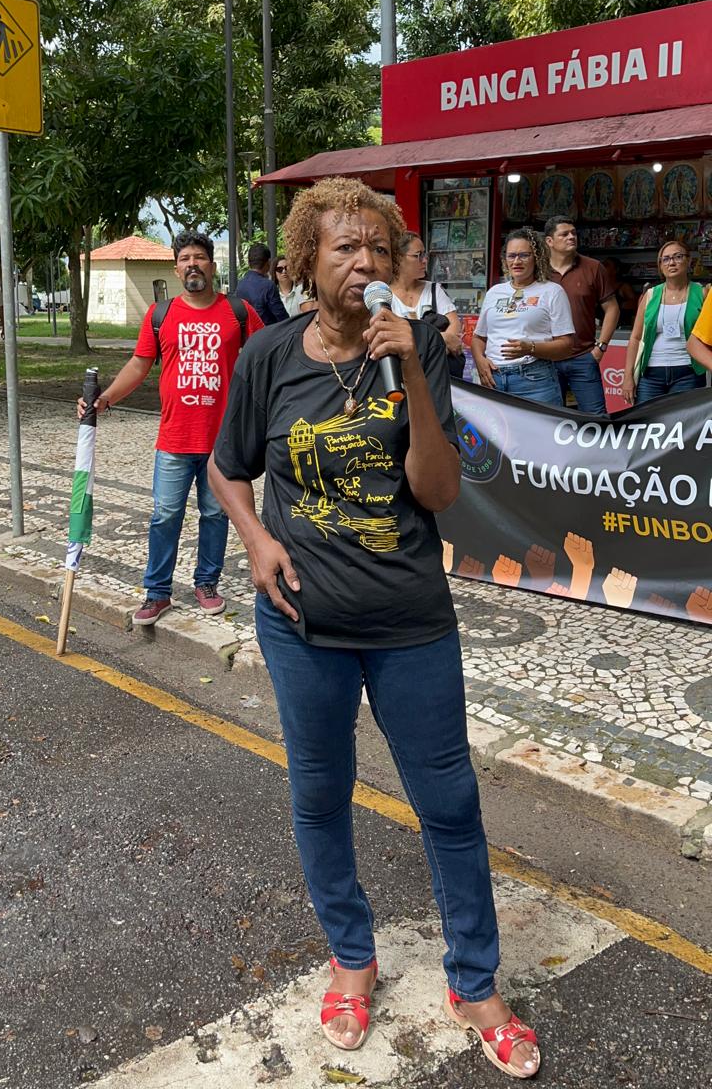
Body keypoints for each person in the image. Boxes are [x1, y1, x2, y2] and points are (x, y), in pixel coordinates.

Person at [209, 177, 540, 1079]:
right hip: (300, 624)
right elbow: (226, 465)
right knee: (322, 795)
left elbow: (437, 492)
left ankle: (475, 983)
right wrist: (256, 539)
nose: (364, 263)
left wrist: (418, 381)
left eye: (380, 250)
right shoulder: (269, 357)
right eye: (344, 248)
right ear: (307, 263)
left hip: (410, 623)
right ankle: (352, 960)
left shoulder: (420, 346)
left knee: (451, 803)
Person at [77, 231, 264, 625]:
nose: (192, 264)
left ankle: (207, 583)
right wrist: (106, 398)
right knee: (165, 515)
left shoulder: (239, 312)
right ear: (176, 267)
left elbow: (268, 356)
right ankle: (157, 592)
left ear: (212, 266)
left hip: (222, 442)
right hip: (175, 438)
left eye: (199, 257)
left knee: (215, 515)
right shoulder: (160, 315)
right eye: (185, 259)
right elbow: (138, 365)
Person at [471, 228, 574, 406]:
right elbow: (479, 337)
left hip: (535, 380)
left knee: (539, 433)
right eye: (511, 256)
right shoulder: (495, 292)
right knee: (496, 435)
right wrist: (480, 361)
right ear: (505, 259)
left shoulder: (552, 291)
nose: (517, 261)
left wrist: (531, 348)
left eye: (524, 255)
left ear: (537, 257)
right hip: (493, 380)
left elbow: (566, 346)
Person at [545, 216, 619, 414]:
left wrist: (601, 347)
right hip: (546, 359)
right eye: (564, 234)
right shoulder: (538, 272)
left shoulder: (594, 267)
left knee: (597, 419)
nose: (572, 237)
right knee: (548, 420)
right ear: (549, 241)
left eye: (574, 233)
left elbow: (612, 308)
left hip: (583, 357)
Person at [622, 241, 707, 405]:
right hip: (651, 373)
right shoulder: (650, 295)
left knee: (684, 425)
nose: (672, 262)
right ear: (660, 265)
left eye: (678, 257)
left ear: (689, 261)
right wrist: (627, 377)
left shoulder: (702, 293)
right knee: (647, 424)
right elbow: (635, 338)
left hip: (688, 372)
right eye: (666, 259)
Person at [389, 231, 464, 375]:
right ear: (398, 258)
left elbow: (454, 324)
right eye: (418, 256)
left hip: (438, 372)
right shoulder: (384, 296)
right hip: (401, 375)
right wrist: (440, 338)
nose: (424, 261)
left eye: (425, 255)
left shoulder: (434, 290)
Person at [237, 242, 288, 325]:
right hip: (267, 334)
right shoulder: (268, 286)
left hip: (247, 335)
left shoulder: (240, 285)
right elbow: (282, 317)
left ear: (249, 263)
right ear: (268, 263)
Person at [602, 257, 638, 329]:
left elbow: (635, 304)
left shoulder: (623, 287)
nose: (603, 267)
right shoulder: (600, 287)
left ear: (616, 270)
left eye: (606, 265)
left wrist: (619, 305)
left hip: (619, 328)